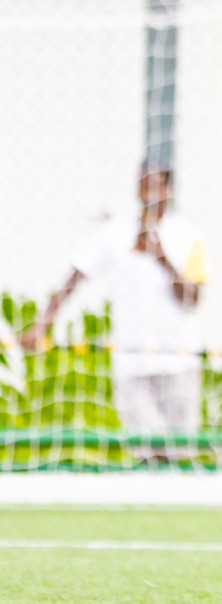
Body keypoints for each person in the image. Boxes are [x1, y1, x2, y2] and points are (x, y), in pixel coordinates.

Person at [26, 161, 207, 457]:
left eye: (155, 186)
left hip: (177, 361)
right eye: (143, 185)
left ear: (169, 190)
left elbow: (191, 298)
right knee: (148, 450)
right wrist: (43, 322)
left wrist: (161, 257)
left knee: (181, 451)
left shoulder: (189, 235)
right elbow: (75, 275)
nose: (148, 193)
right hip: (132, 360)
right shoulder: (115, 233)